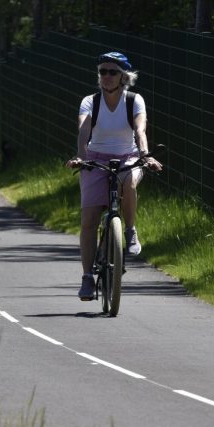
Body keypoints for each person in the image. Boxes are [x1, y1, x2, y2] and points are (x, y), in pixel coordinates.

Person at [65, 51, 162, 301]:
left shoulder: (134, 100)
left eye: (112, 72)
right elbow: (83, 130)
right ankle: (87, 277)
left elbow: (140, 130)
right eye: (102, 72)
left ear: (124, 76)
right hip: (95, 159)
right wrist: (81, 156)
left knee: (129, 182)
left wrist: (146, 155)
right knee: (89, 220)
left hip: (129, 157)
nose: (106, 76)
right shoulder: (90, 102)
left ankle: (129, 230)